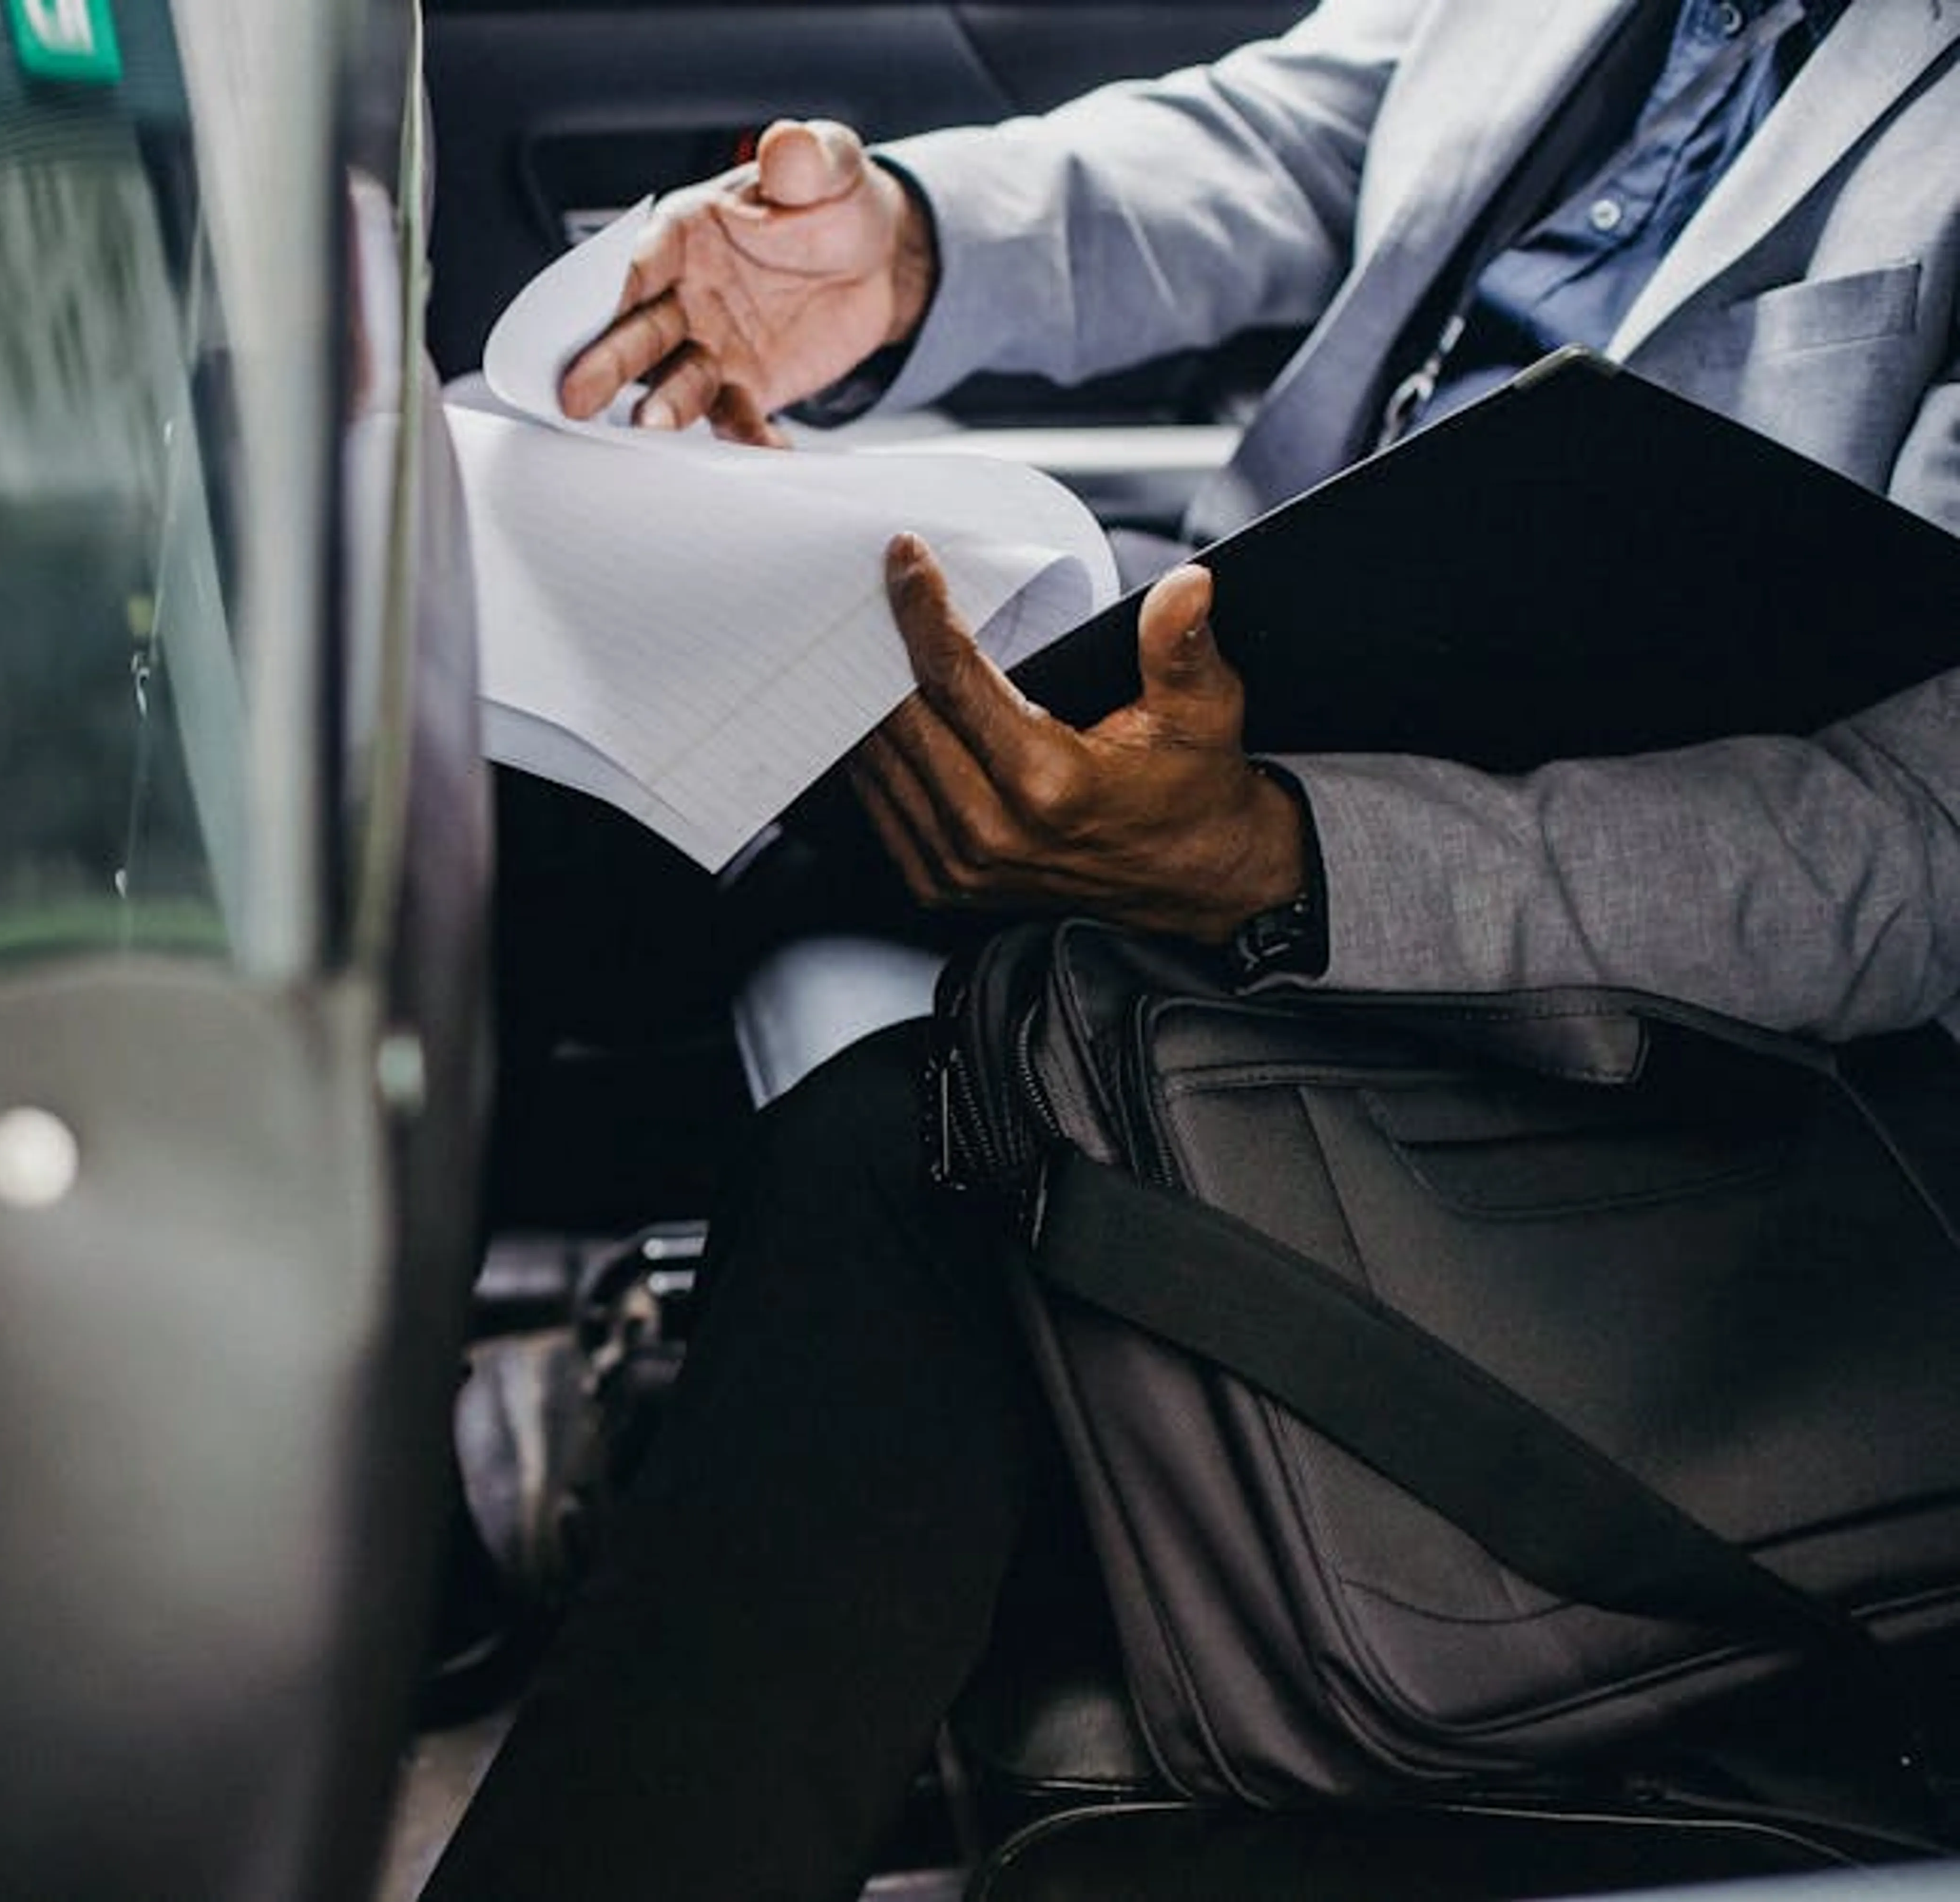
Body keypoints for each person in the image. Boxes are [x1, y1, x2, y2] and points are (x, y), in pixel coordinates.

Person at [419, 2, 1960, 1896]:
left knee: (928, 1153)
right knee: (577, 732)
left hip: (1708, 1057)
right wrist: (903, 243)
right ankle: (367, 1538)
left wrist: (1285, 862)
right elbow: (1314, 137)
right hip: (1308, 703)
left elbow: (1917, 859)